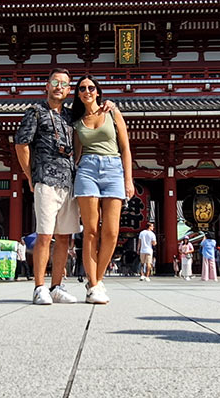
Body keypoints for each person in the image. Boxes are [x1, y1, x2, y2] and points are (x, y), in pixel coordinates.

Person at [15, 69, 80, 305]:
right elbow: (22, 144)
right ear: (47, 85)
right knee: (45, 235)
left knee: (64, 237)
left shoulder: (71, 116)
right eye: (55, 82)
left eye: (64, 84)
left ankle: (57, 287)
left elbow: (79, 142)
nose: (59, 87)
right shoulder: (35, 112)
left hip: (68, 181)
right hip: (45, 178)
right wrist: (30, 175)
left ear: (69, 90)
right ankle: (39, 287)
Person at [70, 74, 134, 304]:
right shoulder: (77, 122)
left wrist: (128, 179)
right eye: (82, 88)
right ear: (78, 94)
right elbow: (76, 154)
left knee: (111, 231)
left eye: (91, 87)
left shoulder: (112, 113)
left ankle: (96, 280)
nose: (87, 91)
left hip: (113, 169)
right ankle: (95, 284)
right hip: (87, 170)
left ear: (98, 91)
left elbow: (125, 148)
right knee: (90, 231)